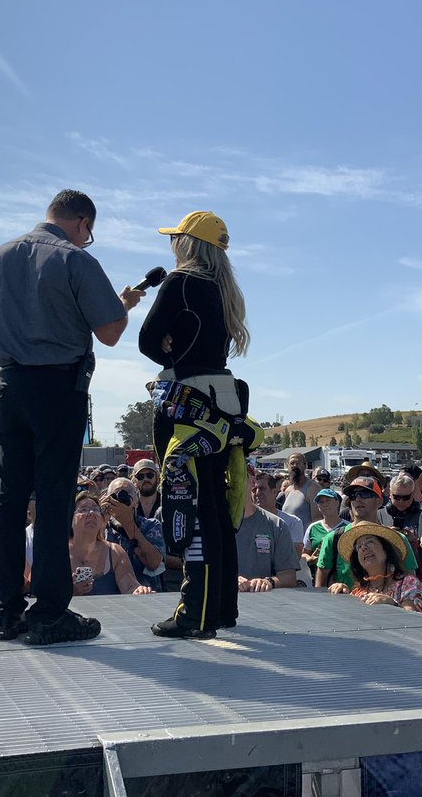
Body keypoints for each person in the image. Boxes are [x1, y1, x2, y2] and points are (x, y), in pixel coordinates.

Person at [0, 190, 142, 646]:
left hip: (8, 388)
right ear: (83, 222)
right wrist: (122, 306)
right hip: (58, 387)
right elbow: (108, 333)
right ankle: (49, 612)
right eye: (90, 232)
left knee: (8, 501)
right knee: (53, 499)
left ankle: (5, 612)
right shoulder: (75, 260)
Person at [140, 210, 263, 639]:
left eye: (175, 238)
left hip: (187, 405)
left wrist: (166, 345)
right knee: (213, 507)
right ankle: (220, 608)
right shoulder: (224, 290)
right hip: (223, 402)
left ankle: (195, 612)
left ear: (187, 244)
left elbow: (148, 340)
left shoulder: (181, 282)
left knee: (192, 509)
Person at [330, 521, 422, 614]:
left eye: (370, 542)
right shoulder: (358, 591)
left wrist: (392, 604)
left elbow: (414, 620)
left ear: (386, 550)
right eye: (358, 546)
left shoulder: (409, 584)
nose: (364, 548)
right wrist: (342, 593)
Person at [67, 493, 153, 597]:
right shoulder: (57, 553)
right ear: (69, 519)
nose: (91, 513)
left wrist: (139, 590)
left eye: (95, 509)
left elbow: (130, 587)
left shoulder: (115, 552)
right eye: (83, 510)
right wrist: (70, 592)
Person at [234, 478, 299, 596]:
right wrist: (228, 580)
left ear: (252, 481)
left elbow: (289, 576)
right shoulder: (212, 526)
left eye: (237, 475)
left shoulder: (276, 525)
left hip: (263, 603)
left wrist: (268, 581)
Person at [100, 477, 166, 591]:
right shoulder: (103, 528)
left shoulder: (151, 525)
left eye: (125, 494)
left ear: (136, 499)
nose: (121, 499)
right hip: (109, 597)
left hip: (146, 595)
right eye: (115, 495)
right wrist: (101, 519)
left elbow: (154, 564)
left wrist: (128, 523)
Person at [303, 488, 346, 567]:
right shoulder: (313, 528)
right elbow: (305, 553)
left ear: (337, 502)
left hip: (341, 576)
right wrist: (310, 559)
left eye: (328, 500)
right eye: (321, 502)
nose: (325, 504)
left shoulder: (348, 527)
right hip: (316, 575)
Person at [280, 452, 321, 529]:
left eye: (298, 463)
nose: (295, 466)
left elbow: (317, 521)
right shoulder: (288, 490)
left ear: (305, 465)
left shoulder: (312, 488)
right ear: (288, 467)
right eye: (292, 463)